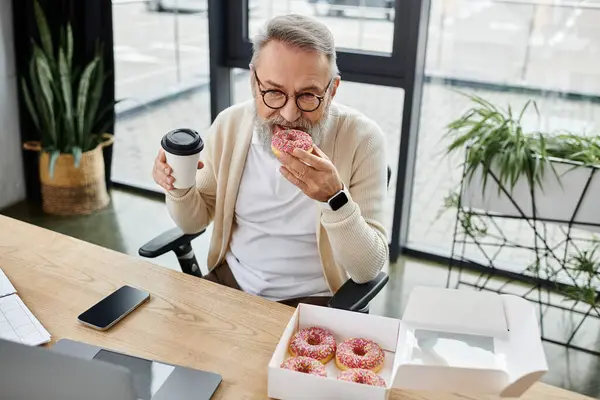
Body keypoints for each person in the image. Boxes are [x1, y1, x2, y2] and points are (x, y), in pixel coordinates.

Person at [152, 14, 388, 307]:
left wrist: (334, 198)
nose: (289, 115)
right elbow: (194, 220)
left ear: (332, 90)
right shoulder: (229, 127)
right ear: (253, 81)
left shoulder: (363, 138)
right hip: (231, 284)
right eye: (274, 92)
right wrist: (179, 186)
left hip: (316, 300)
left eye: (308, 96)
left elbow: (368, 269)